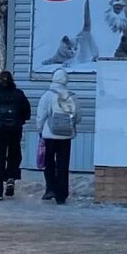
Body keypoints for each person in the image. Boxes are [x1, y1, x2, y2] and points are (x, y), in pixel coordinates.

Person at [0, 70, 32, 201]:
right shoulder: (19, 94)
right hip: (15, 129)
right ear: (12, 80)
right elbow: (27, 113)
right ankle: (11, 177)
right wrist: (21, 121)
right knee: (14, 155)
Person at [36, 68, 81, 204]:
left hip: (49, 135)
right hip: (66, 136)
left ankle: (50, 189)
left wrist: (40, 129)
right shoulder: (71, 96)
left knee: (49, 163)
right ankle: (61, 195)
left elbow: (41, 115)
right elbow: (78, 117)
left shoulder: (47, 96)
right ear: (66, 80)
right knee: (63, 165)